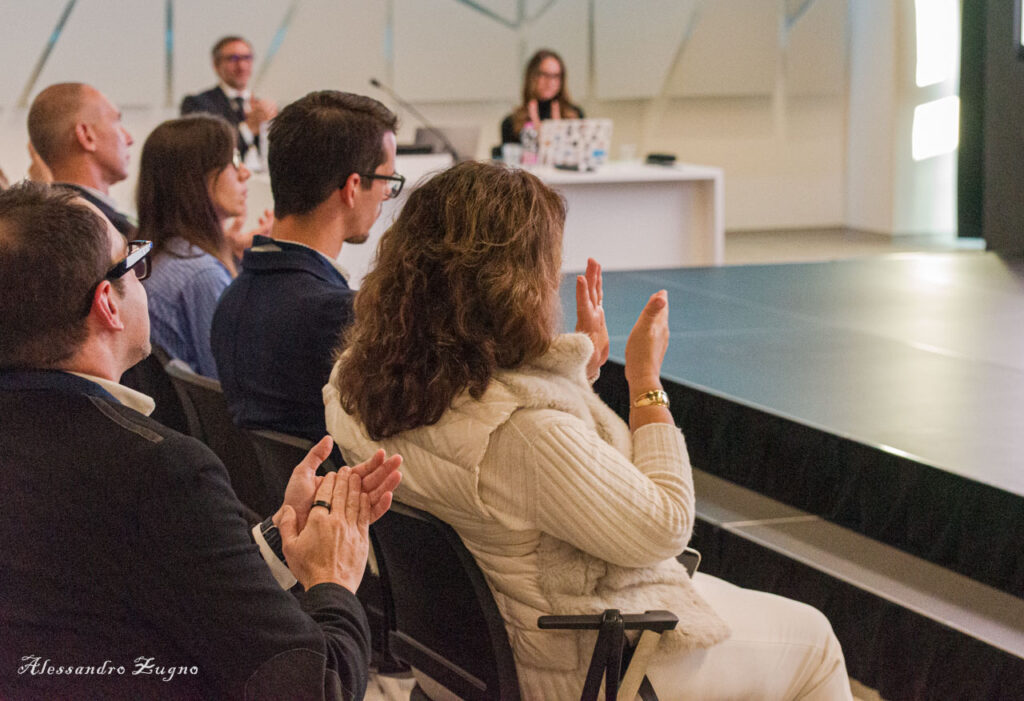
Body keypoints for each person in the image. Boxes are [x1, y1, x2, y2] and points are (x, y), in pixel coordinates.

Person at [323, 161, 853, 700]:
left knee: (742, 604)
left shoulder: (354, 387)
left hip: (454, 665)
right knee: (814, 639)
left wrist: (574, 376)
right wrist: (645, 381)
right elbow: (665, 524)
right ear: (514, 284)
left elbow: (509, 452)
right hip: (570, 668)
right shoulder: (525, 433)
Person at [0, 181, 402, 699]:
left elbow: (141, 579)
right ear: (109, 304)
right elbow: (315, 687)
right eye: (133, 263)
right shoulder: (156, 471)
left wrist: (279, 539)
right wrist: (334, 579)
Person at [211, 91, 399, 445]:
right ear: (353, 187)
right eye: (387, 179)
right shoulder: (347, 318)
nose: (387, 194)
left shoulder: (232, 298)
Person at [137, 114, 265, 379]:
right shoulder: (201, 274)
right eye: (233, 161)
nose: (245, 172)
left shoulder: (159, 255)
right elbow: (234, 385)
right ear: (195, 180)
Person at [27, 82, 136, 235]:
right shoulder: (105, 233)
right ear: (86, 136)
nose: (129, 139)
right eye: (116, 123)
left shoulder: (35, 227)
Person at [181, 35, 277, 170]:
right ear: (216, 64)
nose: (242, 66)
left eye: (247, 58)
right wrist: (248, 128)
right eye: (233, 59)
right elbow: (205, 152)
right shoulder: (197, 104)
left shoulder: (260, 106)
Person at [500, 49, 584, 145]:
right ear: (532, 76)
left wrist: (560, 133)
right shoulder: (511, 123)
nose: (550, 82)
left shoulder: (575, 117)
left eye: (556, 76)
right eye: (545, 75)